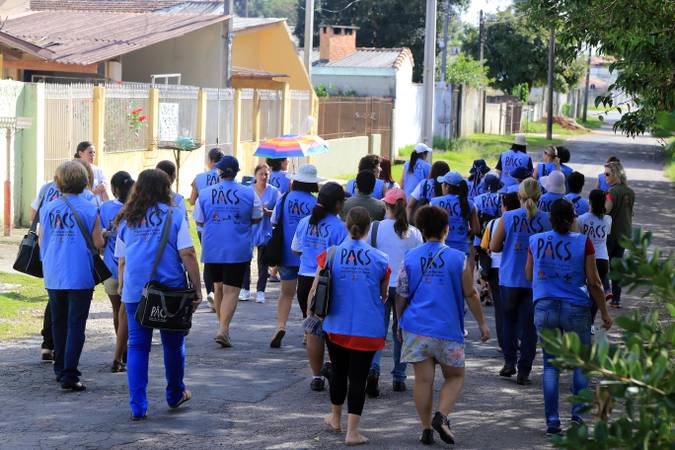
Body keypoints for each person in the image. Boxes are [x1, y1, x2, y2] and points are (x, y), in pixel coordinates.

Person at [396, 205, 490, 446]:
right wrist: (482, 324)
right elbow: (471, 293)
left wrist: (398, 322)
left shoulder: (410, 257)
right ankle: (442, 416)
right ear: (446, 230)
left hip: (416, 328)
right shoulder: (458, 259)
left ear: (422, 229)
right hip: (448, 328)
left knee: (422, 380)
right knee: (455, 376)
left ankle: (426, 428)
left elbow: (402, 293)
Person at [115, 169, 202, 420]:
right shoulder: (175, 215)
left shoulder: (127, 218)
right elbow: (187, 253)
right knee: (173, 345)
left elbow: (121, 258)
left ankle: (138, 405)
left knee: (137, 346)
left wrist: (122, 286)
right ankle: (175, 393)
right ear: (165, 189)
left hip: (136, 291)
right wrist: (197, 287)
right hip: (169, 291)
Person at [526, 199, 613, 435]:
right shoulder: (584, 243)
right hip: (575, 307)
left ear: (550, 219)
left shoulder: (535, 241)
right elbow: (594, 281)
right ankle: (578, 417)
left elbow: (528, 274)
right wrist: (604, 312)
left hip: (544, 307)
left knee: (551, 365)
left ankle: (552, 422)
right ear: (574, 218)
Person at [309, 207, 390, 446]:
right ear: (369, 227)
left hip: (336, 324)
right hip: (367, 327)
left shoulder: (331, 254)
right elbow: (383, 295)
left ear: (346, 225)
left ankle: (335, 418)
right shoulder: (380, 258)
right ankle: (352, 432)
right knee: (358, 378)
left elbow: (316, 288)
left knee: (339, 372)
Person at [39, 161, 105, 391]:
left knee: (58, 322)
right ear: (84, 181)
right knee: (76, 324)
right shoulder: (90, 208)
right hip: (79, 273)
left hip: (54, 272)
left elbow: (41, 240)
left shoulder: (48, 208)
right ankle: (70, 373)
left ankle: (60, 369)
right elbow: (98, 243)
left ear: (59, 181)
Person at [193, 156, 263, 347]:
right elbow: (257, 216)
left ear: (219, 172)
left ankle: (222, 327)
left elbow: (199, 220)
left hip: (213, 247)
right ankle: (223, 329)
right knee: (232, 289)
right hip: (237, 247)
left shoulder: (205, 193)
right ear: (237, 172)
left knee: (218, 287)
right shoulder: (249, 193)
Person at [491, 178, 551, 385]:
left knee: (509, 321)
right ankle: (524, 370)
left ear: (519, 196)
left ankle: (509, 362)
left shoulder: (507, 217)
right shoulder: (547, 220)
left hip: (510, 277)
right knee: (530, 326)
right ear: (539, 197)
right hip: (537, 280)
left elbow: (494, 246)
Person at [366, 188, 423, 396]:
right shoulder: (414, 232)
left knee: (377, 331)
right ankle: (399, 376)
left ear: (386, 206)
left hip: (380, 285)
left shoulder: (375, 228)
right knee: (401, 332)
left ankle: (373, 368)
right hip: (404, 288)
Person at [293, 182, 348, 391]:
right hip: (327, 280)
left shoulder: (305, 222)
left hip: (304, 280)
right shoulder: (339, 227)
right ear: (337, 204)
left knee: (313, 330)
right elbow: (341, 258)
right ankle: (334, 367)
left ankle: (316, 376)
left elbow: (296, 249)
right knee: (331, 328)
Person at [269, 164, 320, 349]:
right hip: (309, 256)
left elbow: (274, 220)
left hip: (285, 253)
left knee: (286, 293)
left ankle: (281, 326)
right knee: (308, 295)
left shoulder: (284, 198)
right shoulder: (315, 204)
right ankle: (308, 332)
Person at [99, 171, 134, 373]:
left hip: (110, 269)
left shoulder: (104, 209)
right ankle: (123, 352)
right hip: (132, 269)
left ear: (113, 189)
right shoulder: (138, 210)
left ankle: (121, 348)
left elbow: (99, 239)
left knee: (117, 311)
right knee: (129, 313)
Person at [480, 192, 521, 351]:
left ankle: (504, 343)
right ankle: (518, 338)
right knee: (518, 306)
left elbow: (485, 246)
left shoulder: (493, 223)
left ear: (504, 207)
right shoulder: (523, 221)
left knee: (500, 307)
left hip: (496, 268)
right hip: (516, 266)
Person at [189, 148, 224, 310]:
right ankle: (219, 292)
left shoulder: (199, 178)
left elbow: (191, 200)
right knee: (222, 258)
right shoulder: (227, 177)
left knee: (209, 259)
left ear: (209, 161)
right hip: (223, 224)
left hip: (204, 224)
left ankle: (210, 291)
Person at [240, 163, 280, 304]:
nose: (263, 177)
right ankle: (245, 289)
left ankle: (261, 291)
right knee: (246, 259)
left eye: (266, 174)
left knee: (263, 262)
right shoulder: (248, 190)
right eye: (261, 174)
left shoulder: (274, 191)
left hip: (266, 229)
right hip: (250, 229)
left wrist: (268, 212)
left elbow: (279, 211)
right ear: (255, 175)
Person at [577, 190, 613, 320]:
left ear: (589, 202)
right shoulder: (608, 219)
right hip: (603, 259)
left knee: (583, 289)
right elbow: (606, 234)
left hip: (586, 258)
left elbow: (579, 236)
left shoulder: (581, 219)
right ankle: (591, 320)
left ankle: (582, 316)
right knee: (597, 291)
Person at [604, 161, 634, 308]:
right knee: (617, 266)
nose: (605, 177)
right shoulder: (630, 191)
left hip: (611, 234)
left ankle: (605, 291)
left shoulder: (611, 192)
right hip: (624, 234)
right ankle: (616, 299)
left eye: (607, 174)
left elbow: (606, 211)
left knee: (603, 264)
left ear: (615, 174)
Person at [430, 172, 480, 255]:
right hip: (462, 249)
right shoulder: (470, 204)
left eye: (443, 184)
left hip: (440, 249)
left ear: (447, 187)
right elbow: (476, 230)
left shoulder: (434, 202)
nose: (441, 186)